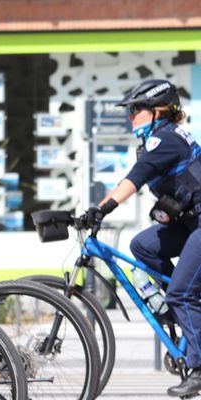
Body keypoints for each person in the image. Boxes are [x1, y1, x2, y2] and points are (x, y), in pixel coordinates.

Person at [87, 79, 201, 397]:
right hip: (193, 221)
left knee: (180, 293)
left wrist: (100, 209)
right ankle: (180, 307)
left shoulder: (163, 140)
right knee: (142, 245)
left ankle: (199, 365)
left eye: (136, 109)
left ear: (157, 111)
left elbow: (133, 179)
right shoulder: (163, 137)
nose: (130, 116)